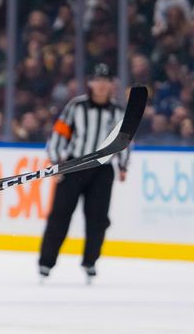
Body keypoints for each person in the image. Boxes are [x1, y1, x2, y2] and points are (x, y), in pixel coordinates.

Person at [38, 63, 129, 283]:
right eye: (97, 80)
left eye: (105, 81)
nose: (101, 85)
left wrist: (123, 165)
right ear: (90, 83)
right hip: (73, 166)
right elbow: (60, 132)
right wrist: (57, 161)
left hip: (102, 171)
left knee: (98, 219)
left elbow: (124, 141)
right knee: (60, 215)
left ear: (111, 85)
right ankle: (46, 262)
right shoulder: (76, 106)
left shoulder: (117, 111)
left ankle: (90, 261)